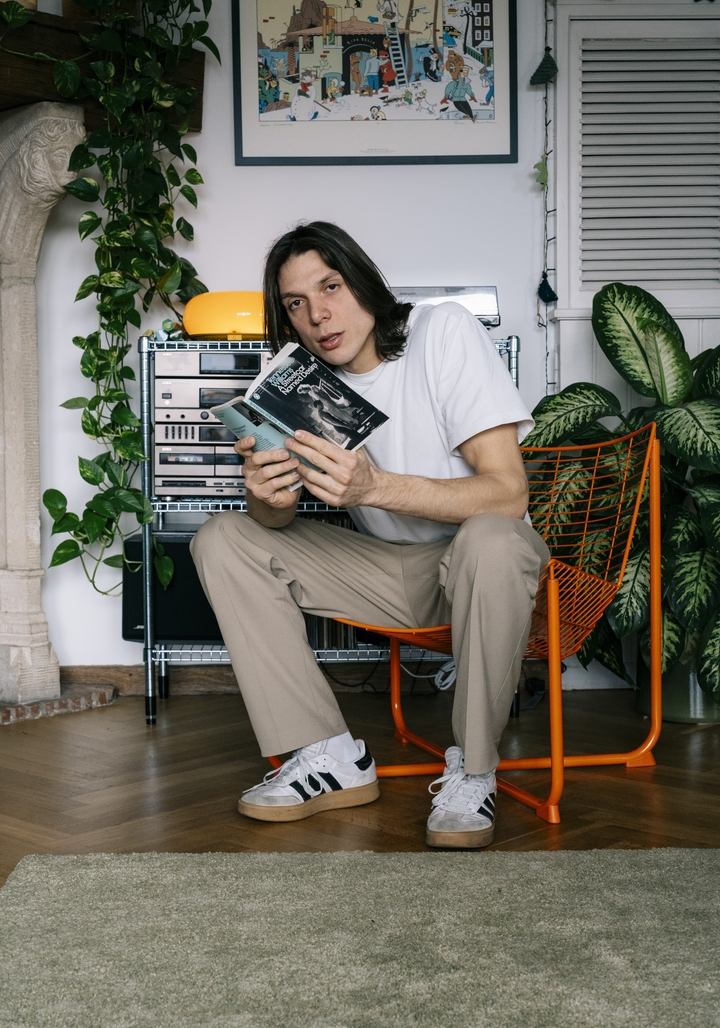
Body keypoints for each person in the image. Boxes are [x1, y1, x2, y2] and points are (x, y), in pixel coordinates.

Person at [191, 221, 549, 849]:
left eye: (330, 287)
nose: (317, 315)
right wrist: (268, 495)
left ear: (363, 281)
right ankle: (327, 755)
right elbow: (273, 525)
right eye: (295, 303)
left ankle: (473, 772)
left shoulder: (441, 331)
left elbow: (508, 493)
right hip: (388, 570)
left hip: (483, 566)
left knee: (490, 539)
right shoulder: (296, 381)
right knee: (223, 537)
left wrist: (374, 487)